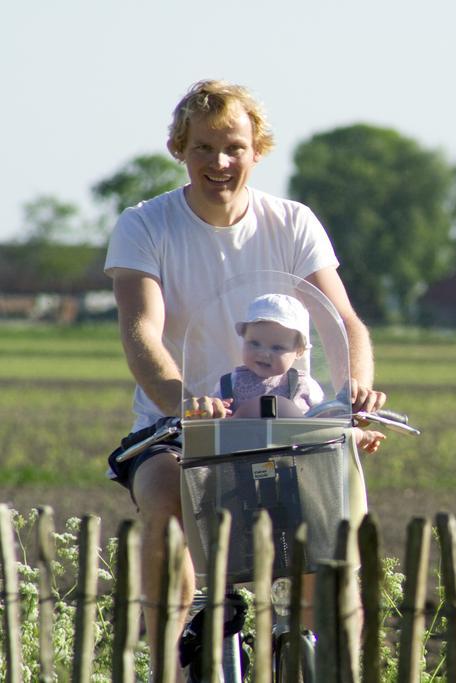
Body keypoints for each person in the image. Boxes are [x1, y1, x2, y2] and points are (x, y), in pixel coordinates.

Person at [104, 79, 386, 666]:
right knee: (162, 494)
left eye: (233, 146)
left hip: (288, 425)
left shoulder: (293, 223)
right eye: (203, 147)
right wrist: (181, 399)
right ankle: (165, 668)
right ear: (179, 148)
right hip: (184, 426)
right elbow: (141, 331)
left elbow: (346, 326)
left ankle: (328, 664)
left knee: (333, 537)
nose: (220, 161)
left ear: (257, 149)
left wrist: (350, 395)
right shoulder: (145, 225)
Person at [211, 292, 386, 452]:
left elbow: (327, 421)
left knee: (333, 432)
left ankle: (360, 437)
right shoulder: (230, 383)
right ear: (243, 338)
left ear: (299, 351)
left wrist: (352, 423)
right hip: (238, 461)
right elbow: (209, 420)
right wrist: (209, 410)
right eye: (254, 343)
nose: (263, 353)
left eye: (277, 347)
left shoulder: (303, 385)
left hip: (294, 462)